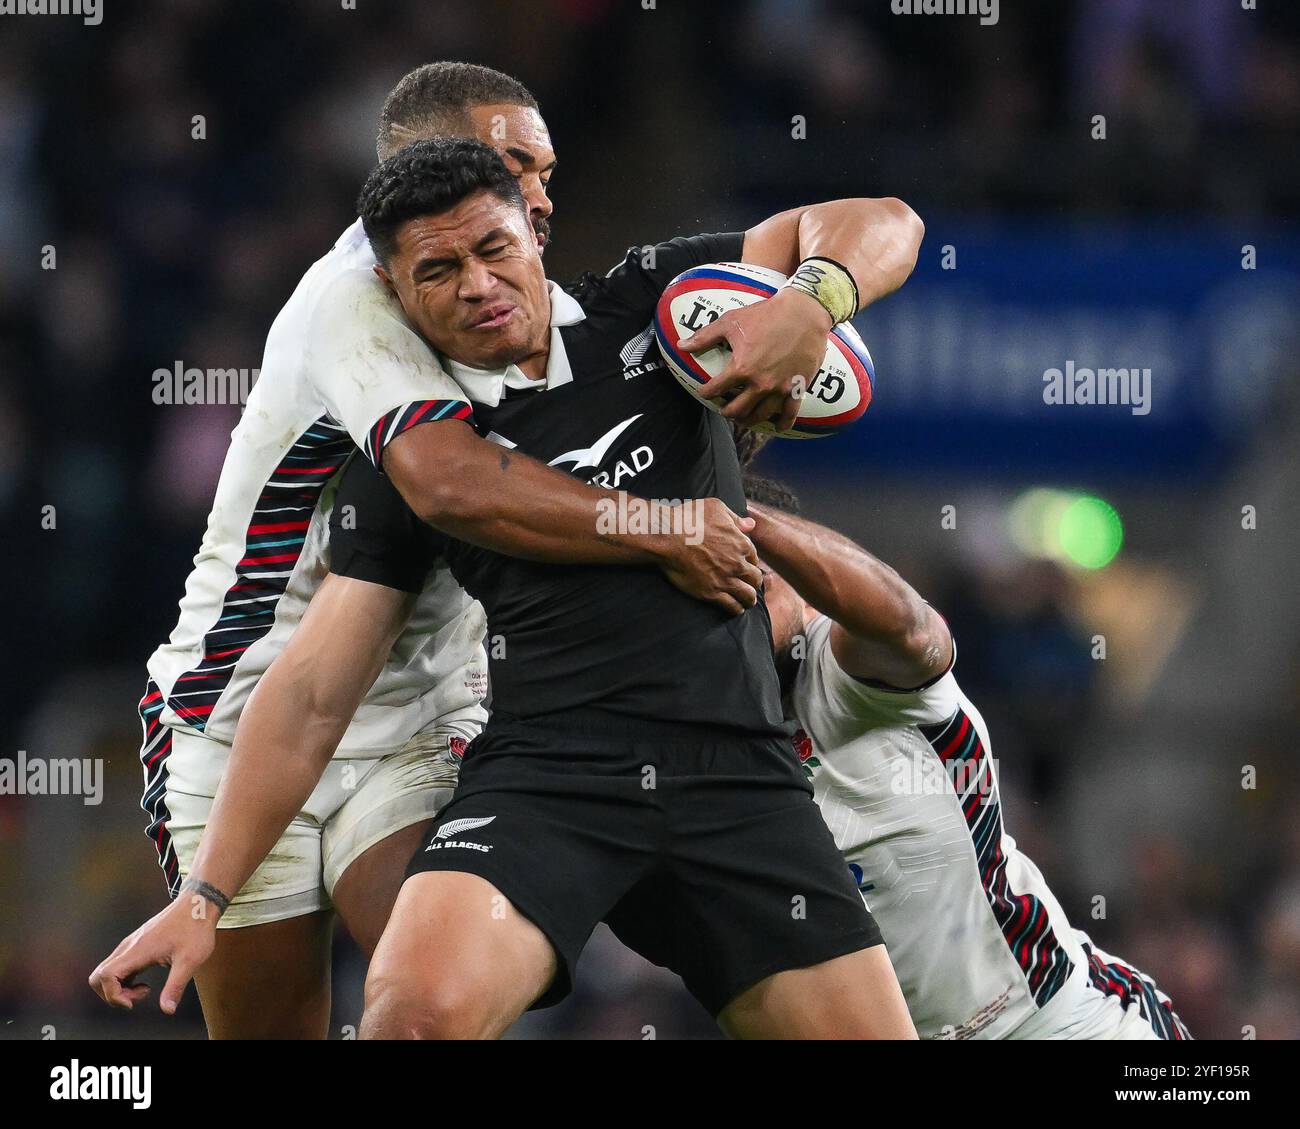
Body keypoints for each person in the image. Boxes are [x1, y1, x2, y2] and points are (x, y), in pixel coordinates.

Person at [115, 62, 774, 1040]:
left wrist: (806, 306)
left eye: (543, 170)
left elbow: (838, 239)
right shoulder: (350, 302)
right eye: (511, 165)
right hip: (242, 709)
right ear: (421, 174)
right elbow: (452, 484)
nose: (541, 194)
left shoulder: (523, 295)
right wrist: (663, 528)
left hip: (422, 708)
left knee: (425, 1009)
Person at [744, 473, 1192, 1040]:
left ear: (806, 585)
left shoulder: (848, 667)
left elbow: (905, 620)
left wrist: (737, 513)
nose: (741, 609)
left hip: (1061, 1023)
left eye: (758, 582)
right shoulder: (722, 734)